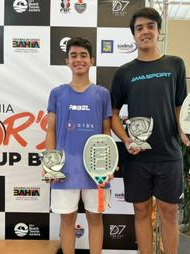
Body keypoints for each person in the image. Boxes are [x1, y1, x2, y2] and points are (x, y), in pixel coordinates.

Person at [110, 7, 188, 254]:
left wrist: (185, 133)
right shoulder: (124, 73)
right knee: (141, 212)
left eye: (150, 26)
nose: (145, 32)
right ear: (133, 35)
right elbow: (112, 115)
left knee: (170, 212)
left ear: (159, 31)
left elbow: (179, 107)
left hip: (169, 153)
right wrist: (126, 140)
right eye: (139, 28)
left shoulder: (175, 64)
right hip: (137, 157)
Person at [45, 37, 112, 254]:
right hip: (65, 169)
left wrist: (107, 165)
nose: (79, 59)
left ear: (91, 60)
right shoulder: (57, 93)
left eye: (83, 55)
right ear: (67, 61)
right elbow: (50, 130)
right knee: (67, 221)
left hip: (96, 171)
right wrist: (51, 166)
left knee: (95, 219)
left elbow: (106, 133)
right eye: (73, 55)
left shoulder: (102, 94)